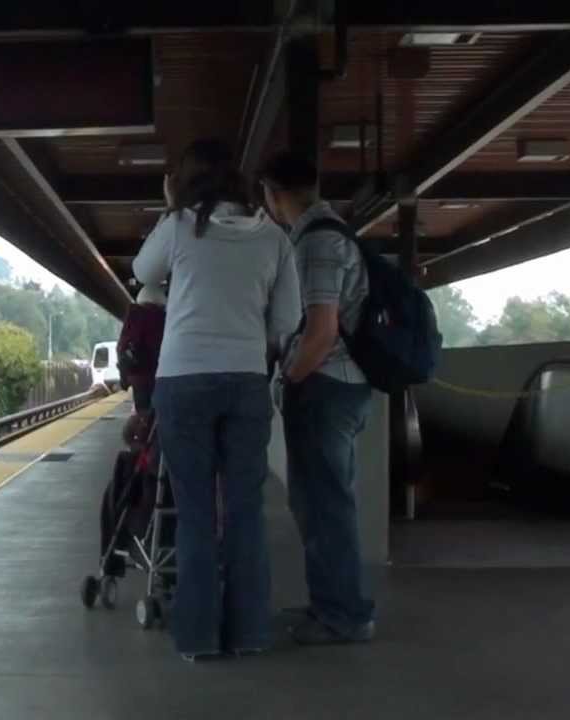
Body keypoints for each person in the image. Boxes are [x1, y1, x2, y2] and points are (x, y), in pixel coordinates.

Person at [133, 138, 301, 661]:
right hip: (246, 381)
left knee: (196, 513)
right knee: (246, 511)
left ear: (183, 183)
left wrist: (168, 210)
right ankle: (250, 633)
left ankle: (199, 637)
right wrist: (255, 340)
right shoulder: (274, 238)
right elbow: (289, 320)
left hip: (183, 382)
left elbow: (143, 273)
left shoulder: (180, 226)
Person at [259, 151, 376, 645]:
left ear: (271, 193)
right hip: (337, 386)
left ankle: (342, 616)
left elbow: (321, 330)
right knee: (323, 502)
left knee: (325, 504)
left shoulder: (317, 242)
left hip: (326, 387)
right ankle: (332, 605)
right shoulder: (326, 233)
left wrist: (288, 379)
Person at [116, 283, 166, 413]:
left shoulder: (132, 318)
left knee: (143, 416)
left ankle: (140, 427)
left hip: (139, 378)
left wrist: (124, 380)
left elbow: (122, 349)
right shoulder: (162, 318)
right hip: (161, 377)